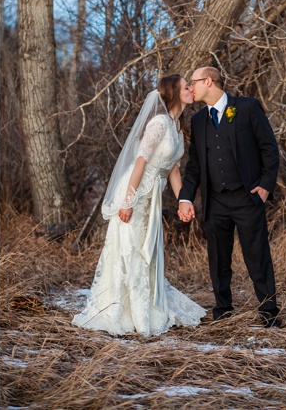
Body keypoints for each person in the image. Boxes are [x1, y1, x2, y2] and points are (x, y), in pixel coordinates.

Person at [73, 75, 206, 336]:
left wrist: (183, 202)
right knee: (131, 247)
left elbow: (173, 170)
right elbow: (140, 162)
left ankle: (146, 304)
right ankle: (125, 310)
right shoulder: (158, 123)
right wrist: (128, 201)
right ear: (174, 92)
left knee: (149, 250)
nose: (191, 89)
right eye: (186, 86)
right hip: (136, 191)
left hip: (154, 197)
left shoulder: (177, 127)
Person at [177, 66, 281, 327]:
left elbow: (269, 148)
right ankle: (223, 310)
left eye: (194, 82)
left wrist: (266, 185)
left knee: (257, 256)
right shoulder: (198, 120)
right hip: (215, 202)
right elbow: (195, 166)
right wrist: (185, 197)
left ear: (208, 81)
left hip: (248, 197)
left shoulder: (246, 108)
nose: (191, 88)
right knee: (218, 259)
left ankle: (269, 312)